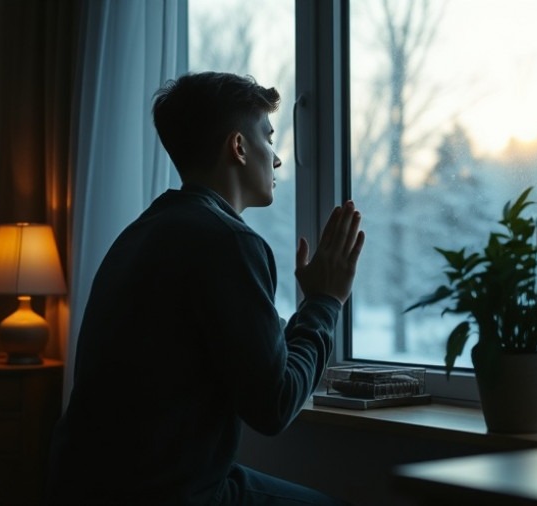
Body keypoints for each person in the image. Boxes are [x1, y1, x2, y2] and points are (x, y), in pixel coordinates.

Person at [45, 71, 365, 505]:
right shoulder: (230, 241)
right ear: (238, 146)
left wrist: (302, 314)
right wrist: (325, 302)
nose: (276, 160)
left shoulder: (142, 232)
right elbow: (274, 406)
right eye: (268, 138)